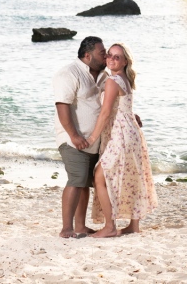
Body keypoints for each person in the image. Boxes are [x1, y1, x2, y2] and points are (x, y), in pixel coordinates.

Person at [87, 42, 158, 238]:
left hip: (121, 135)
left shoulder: (112, 81)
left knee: (99, 176)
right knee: (132, 176)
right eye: (109, 55)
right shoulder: (125, 79)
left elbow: (105, 112)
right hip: (131, 133)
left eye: (116, 57)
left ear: (125, 61)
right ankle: (133, 226)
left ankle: (110, 226)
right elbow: (125, 108)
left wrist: (93, 137)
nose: (111, 59)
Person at [52, 36, 107, 239]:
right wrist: (74, 136)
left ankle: (81, 227)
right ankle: (66, 229)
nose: (106, 55)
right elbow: (62, 105)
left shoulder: (102, 75)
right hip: (73, 139)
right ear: (87, 55)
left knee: (84, 182)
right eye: (102, 53)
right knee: (76, 180)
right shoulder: (68, 73)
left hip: (93, 140)